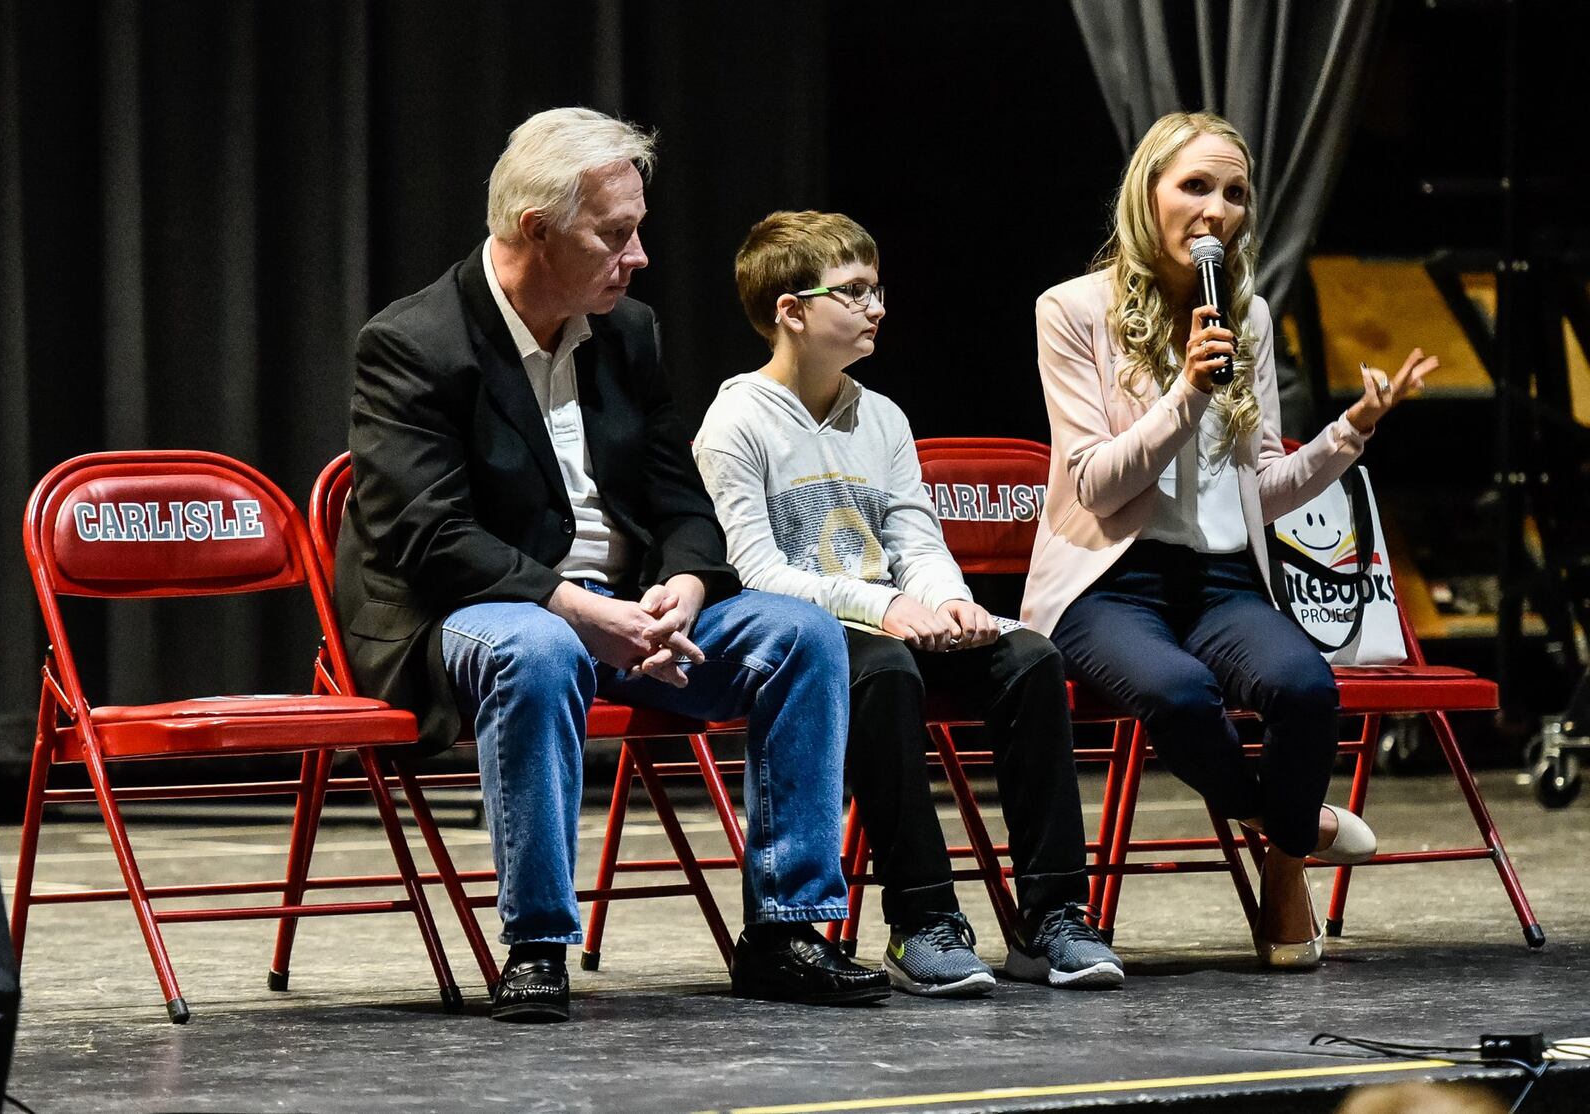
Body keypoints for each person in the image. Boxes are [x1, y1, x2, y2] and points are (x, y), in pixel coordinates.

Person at [337, 109, 889, 1022]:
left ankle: (787, 930)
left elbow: (682, 498)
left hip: (632, 609)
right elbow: (428, 537)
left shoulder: (627, 333)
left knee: (801, 634)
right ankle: (538, 946)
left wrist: (686, 583)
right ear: (537, 232)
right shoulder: (415, 344)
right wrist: (579, 610)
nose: (638, 256)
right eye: (616, 234)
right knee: (539, 650)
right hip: (473, 611)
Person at [1021, 111, 1438, 968]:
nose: (1216, 210)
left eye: (1235, 193)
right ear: (1150, 195)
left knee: (1302, 687)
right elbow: (1096, 483)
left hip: (1219, 580)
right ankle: (1292, 826)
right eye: (1196, 186)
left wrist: (1348, 433)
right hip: (1109, 582)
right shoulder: (1072, 310)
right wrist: (1183, 396)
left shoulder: (1243, 317)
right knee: (1176, 694)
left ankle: (1282, 863)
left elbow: (1262, 490)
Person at [693, 210, 1124, 996]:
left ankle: (1053, 916)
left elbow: (914, 538)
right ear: (791, 311)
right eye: (853, 291)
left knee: (1028, 656)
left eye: (877, 287)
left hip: (898, 618)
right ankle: (922, 919)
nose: (877, 306)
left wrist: (952, 602)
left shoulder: (881, 415)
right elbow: (754, 574)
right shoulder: (735, 422)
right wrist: (884, 608)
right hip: (819, 641)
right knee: (883, 667)